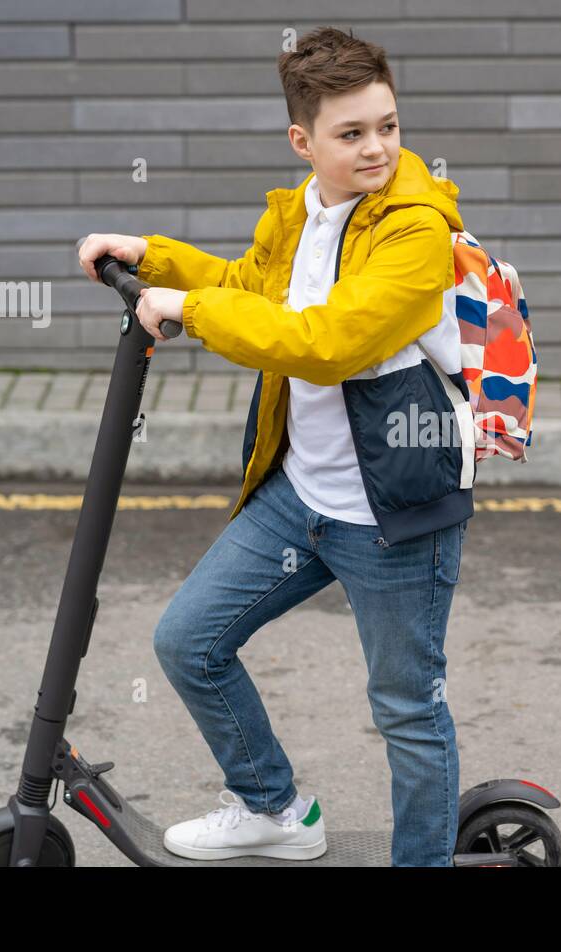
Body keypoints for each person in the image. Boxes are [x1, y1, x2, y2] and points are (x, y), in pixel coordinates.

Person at [77, 26, 475, 867]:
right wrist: (156, 260)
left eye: (389, 126)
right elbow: (250, 291)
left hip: (394, 517)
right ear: (305, 141)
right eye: (352, 132)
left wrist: (189, 314)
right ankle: (273, 808)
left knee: (408, 708)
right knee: (190, 641)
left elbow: (328, 341)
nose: (378, 148)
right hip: (303, 497)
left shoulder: (416, 233)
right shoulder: (301, 214)